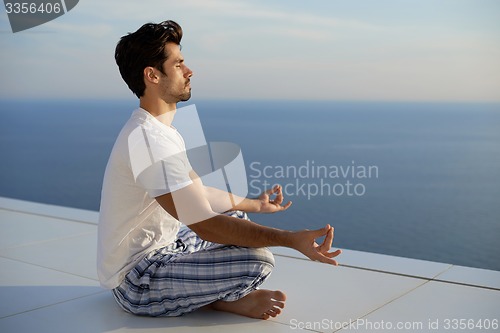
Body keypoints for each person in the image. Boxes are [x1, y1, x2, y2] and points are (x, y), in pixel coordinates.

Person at [97, 20, 341, 320]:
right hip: (138, 282)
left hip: (167, 246)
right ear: (152, 75)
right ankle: (217, 301)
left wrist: (257, 204)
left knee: (236, 218)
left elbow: (198, 195)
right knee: (258, 259)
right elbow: (203, 224)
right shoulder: (148, 139)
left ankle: (210, 295)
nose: (189, 71)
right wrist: (290, 239)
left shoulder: (160, 131)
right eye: (178, 64)